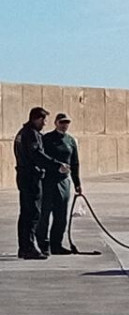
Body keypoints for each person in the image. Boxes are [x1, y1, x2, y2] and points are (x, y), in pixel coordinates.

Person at [13, 107, 70, 260]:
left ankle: (24, 247)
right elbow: (37, 155)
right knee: (32, 213)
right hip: (31, 177)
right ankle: (29, 247)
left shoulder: (22, 133)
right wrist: (57, 165)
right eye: (43, 120)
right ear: (36, 119)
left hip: (24, 175)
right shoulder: (31, 134)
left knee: (26, 213)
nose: (45, 124)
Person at [37, 113, 82, 255]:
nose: (64, 125)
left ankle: (57, 244)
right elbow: (41, 157)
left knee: (61, 214)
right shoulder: (47, 139)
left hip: (64, 181)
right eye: (62, 122)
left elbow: (75, 162)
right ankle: (42, 244)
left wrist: (77, 183)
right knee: (45, 213)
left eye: (67, 122)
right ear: (56, 123)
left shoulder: (70, 141)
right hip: (48, 180)